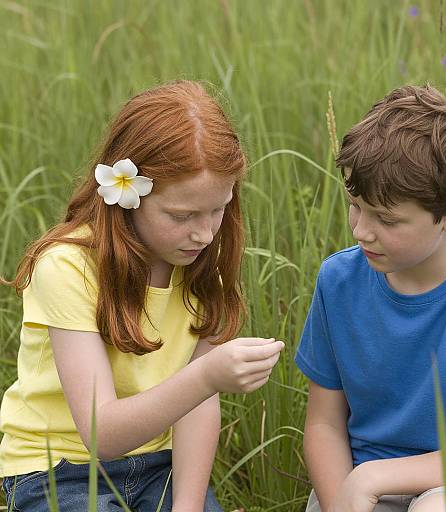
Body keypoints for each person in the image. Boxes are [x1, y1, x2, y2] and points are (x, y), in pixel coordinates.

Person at [0, 80, 284, 511]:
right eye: (182, 215)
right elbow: (104, 436)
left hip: (158, 467)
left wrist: (187, 507)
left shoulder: (203, 270)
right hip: (55, 471)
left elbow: (195, 409)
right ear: (127, 195)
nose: (205, 233)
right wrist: (208, 377)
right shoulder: (66, 268)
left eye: (218, 208)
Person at [295, 85, 446, 512]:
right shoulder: (338, 280)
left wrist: (375, 476)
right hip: (355, 482)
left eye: (387, 219)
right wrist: (344, 498)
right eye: (356, 206)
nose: (360, 231)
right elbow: (323, 424)